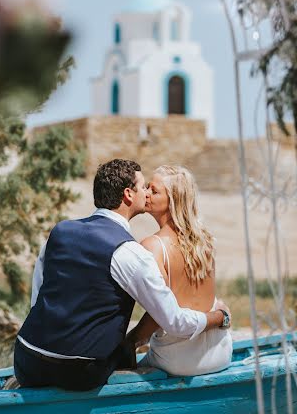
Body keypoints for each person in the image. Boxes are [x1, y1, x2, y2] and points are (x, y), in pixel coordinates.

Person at [14, 159, 231, 391]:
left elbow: (39, 296)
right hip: (81, 372)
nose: (146, 193)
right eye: (143, 186)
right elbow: (174, 321)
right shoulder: (130, 252)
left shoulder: (59, 232)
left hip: (27, 360)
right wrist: (220, 317)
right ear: (129, 194)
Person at [137, 165, 233, 376]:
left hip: (179, 360)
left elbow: (158, 314)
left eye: (154, 190)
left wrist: (130, 341)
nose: (146, 193)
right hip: (220, 351)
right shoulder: (204, 241)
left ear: (172, 200)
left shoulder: (153, 246)